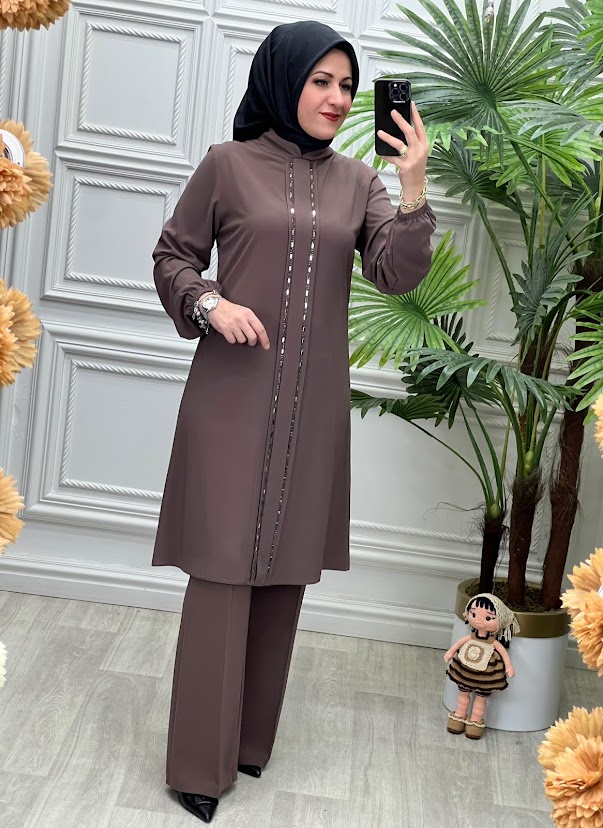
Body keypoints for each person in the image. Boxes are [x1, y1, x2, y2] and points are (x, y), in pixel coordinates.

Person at [151, 19, 436, 824]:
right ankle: (197, 766)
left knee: (283, 572)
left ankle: (248, 743)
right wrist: (209, 303)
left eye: (346, 86)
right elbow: (172, 256)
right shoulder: (226, 165)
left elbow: (395, 274)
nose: (337, 98)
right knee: (221, 571)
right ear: (282, 80)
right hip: (229, 400)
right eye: (320, 81)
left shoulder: (359, 182)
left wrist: (412, 185)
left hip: (312, 410)